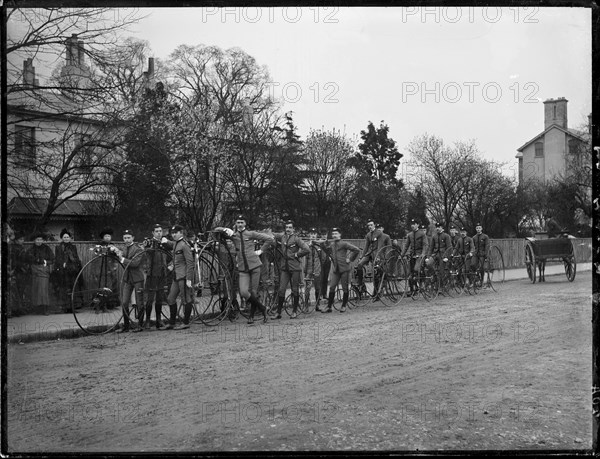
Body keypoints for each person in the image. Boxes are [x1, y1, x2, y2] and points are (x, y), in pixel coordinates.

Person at [214, 215, 274, 324]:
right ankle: (262, 308)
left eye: (242, 222)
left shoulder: (251, 234)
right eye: (238, 222)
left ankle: (251, 316)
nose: (240, 224)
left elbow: (269, 239)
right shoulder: (233, 236)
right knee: (243, 292)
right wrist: (224, 229)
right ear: (236, 224)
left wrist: (260, 251)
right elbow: (216, 231)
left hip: (255, 266)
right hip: (242, 268)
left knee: (253, 292)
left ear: (245, 223)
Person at [160, 225, 196, 330]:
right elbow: (170, 244)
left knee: (186, 299)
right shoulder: (176, 243)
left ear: (181, 232)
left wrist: (189, 279)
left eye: (176, 232)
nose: (174, 234)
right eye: (172, 233)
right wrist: (164, 241)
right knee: (171, 298)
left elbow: (190, 263)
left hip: (184, 276)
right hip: (176, 276)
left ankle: (186, 322)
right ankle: (172, 322)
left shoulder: (185, 245)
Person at [272, 220, 309, 319]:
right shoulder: (283, 237)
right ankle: (278, 312)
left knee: (295, 289)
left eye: (290, 227)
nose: (288, 229)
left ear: (293, 229)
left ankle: (294, 311)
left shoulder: (296, 239)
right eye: (286, 227)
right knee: (281, 289)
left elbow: (307, 249)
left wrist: (297, 254)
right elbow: (274, 235)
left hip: (295, 268)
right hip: (285, 268)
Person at [318, 227, 360, 314]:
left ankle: (344, 305)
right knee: (332, 287)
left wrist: (350, 259)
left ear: (340, 235)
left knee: (345, 288)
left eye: (336, 234)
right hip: (336, 270)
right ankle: (329, 307)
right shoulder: (332, 244)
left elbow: (356, 250)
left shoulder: (344, 244)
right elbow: (327, 250)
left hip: (345, 269)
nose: (334, 235)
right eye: (333, 234)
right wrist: (320, 244)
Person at [139, 224, 170, 330]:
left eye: (160, 231)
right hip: (152, 274)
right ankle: (147, 320)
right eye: (156, 231)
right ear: (153, 233)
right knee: (150, 299)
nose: (159, 233)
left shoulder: (165, 243)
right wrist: (150, 246)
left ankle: (158, 319)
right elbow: (147, 252)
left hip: (162, 274)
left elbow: (170, 256)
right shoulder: (149, 242)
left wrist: (170, 266)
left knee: (160, 298)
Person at [115, 229, 145, 333]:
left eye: (128, 237)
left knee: (140, 302)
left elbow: (135, 263)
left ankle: (140, 325)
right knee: (124, 302)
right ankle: (126, 326)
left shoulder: (138, 249)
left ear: (133, 238)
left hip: (137, 279)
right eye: (125, 238)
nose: (127, 240)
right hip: (127, 279)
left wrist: (122, 259)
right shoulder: (123, 248)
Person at [53, 228, 84, 313]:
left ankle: (73, 307)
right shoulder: (59, 247)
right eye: (64, 237)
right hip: (63, 271)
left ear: (70, 238)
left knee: (73, 287)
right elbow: (57, 258)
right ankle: (65, 307)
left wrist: (76, 264)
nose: (66, 238)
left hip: (73, 270)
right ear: (62, 238)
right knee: (65, 288)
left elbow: (76, 257)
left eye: (67, 237)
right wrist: (61, 264)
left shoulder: (73, 247)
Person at [26, 233, 54, 315]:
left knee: (43, 289)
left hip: (44, 271)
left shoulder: (47, 249)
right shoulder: (31, 249)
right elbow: (29, 258)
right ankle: (37, 309)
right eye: (37, 240)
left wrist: (45, 262)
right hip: (34, 271)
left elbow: (52, 259)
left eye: (40, 240)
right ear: (34, 240)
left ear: (43, 240)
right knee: (36, 289)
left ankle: (45, 308)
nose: (39, 241)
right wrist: (37, 261)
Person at [400, 219, 429, 297]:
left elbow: (425, 245)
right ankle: (413, 289)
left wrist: (423, 254)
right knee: (411, 273)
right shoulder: (410, 235)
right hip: (412, 255)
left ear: (417, 225)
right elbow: (406, 246)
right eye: (411, 224)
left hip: (420, 256)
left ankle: (422, 285)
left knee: (416, 270)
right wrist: (402, 255)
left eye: (414, 224)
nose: (412, 225)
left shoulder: (422, 234)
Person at [355, 220, 383, 293]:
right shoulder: (368, 235)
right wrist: (361, 257)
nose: (370, 227)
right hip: (369, 253)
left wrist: (378, 257)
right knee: (359, 265)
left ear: (374, 225)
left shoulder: (379, 233)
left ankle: (376, 291)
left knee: (375, 271)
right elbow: (366, 247)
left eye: (371, 225)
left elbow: (380, 246)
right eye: (368, 225)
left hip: (376, 254)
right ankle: (361, 285)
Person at [304, 228, 327, 312]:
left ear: (316, 235)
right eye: (311, 234)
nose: (313, 235)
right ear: (309, 235)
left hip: (317, 270)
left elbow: (323, 258)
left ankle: (317, 305)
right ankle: (306, 306)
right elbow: (305, 259)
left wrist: (319, 266)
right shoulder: (306, 245)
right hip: (309, 271)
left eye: (314, 234)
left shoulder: (319, 245)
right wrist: (305, 270)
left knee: (317, 288)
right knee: (307, 289)